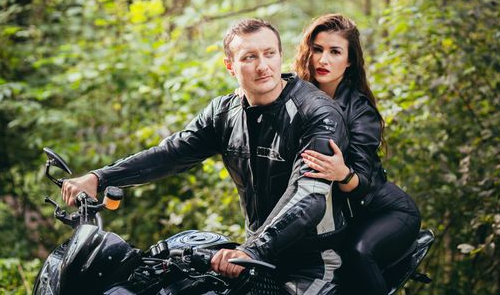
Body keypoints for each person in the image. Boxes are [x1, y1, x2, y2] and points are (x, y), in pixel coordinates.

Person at [61, 18, 350, 294]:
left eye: (269, 54)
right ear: (230, 66)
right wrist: (99, 178)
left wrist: (253, 249)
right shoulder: (224, 113)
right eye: (249, 57)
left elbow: (308, 194)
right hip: (256, 256)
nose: (263, 66)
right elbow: (171, 154)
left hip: (314, 261)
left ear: (280, 56)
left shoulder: (316, 112)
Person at [294, 14, 421, 295]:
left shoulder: (360, 110)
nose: (322, 60)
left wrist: (342, 173)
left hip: (384, 211)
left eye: (334, 51)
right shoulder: (294, 95)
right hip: (336, 219)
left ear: (349, 61)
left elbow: (362, 181)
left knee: (356, 255)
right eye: (317, 49)